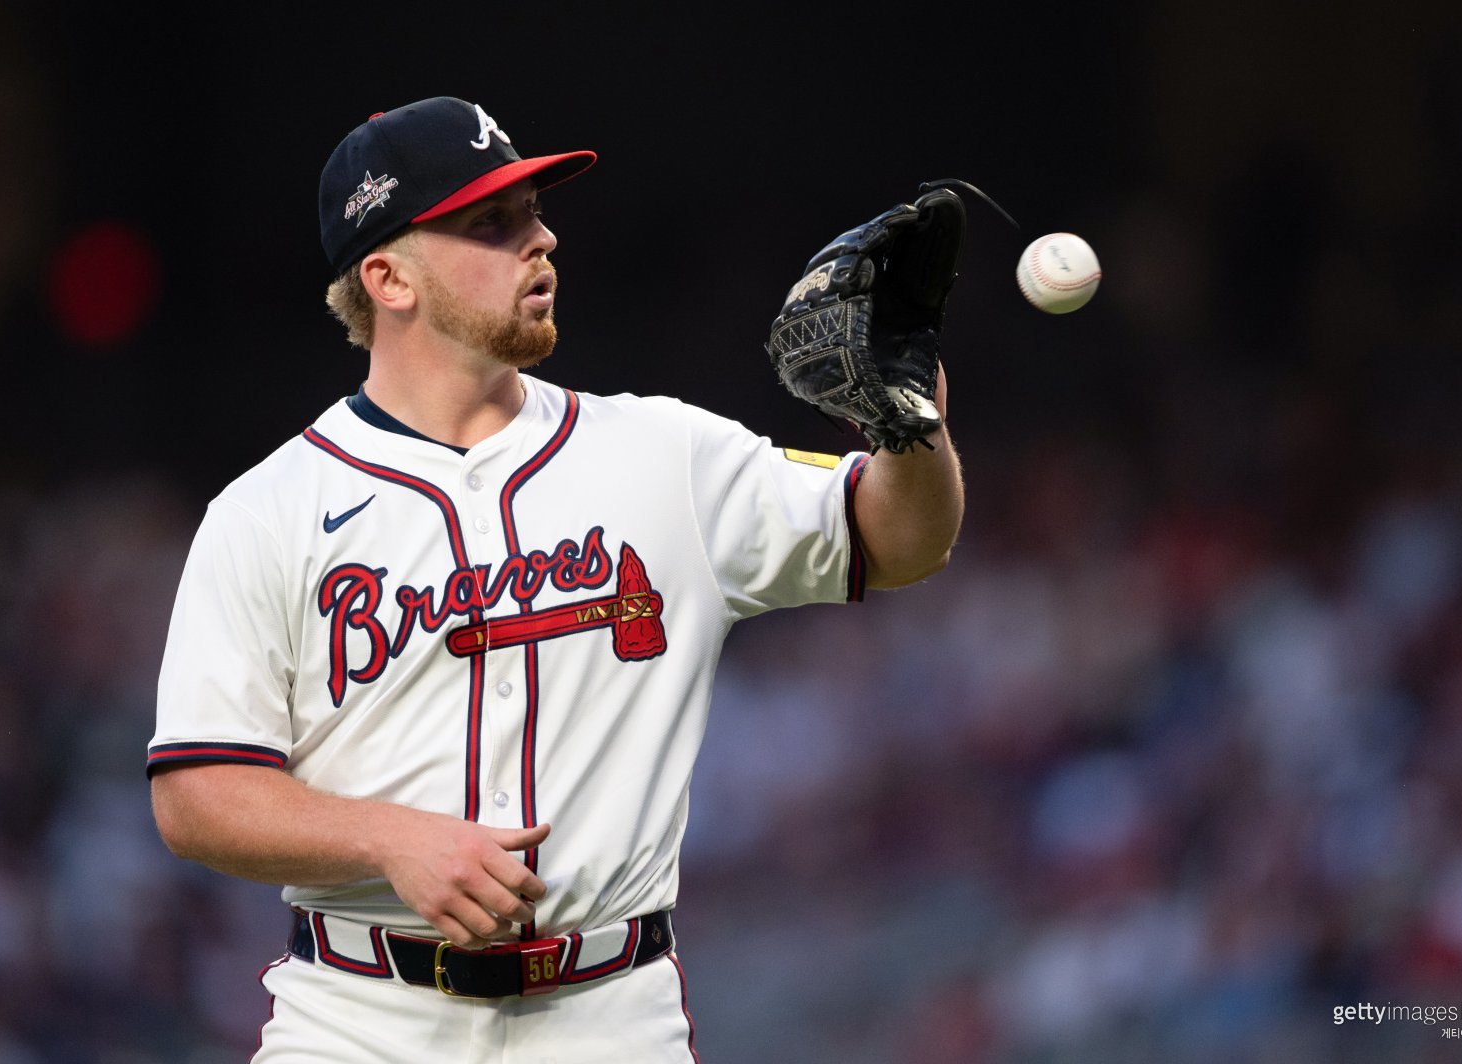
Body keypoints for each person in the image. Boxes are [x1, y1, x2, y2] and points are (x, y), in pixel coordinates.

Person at [146, 95, 964, 1062]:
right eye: (492, 223)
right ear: (388, 278)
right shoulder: (268, 510)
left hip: (611, 1017)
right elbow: (197, 794)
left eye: (532, 211)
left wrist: (909, 426)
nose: (542, 240)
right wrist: (390, 839)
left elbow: (898, 540)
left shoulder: (663, 453)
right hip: (357, 1021)